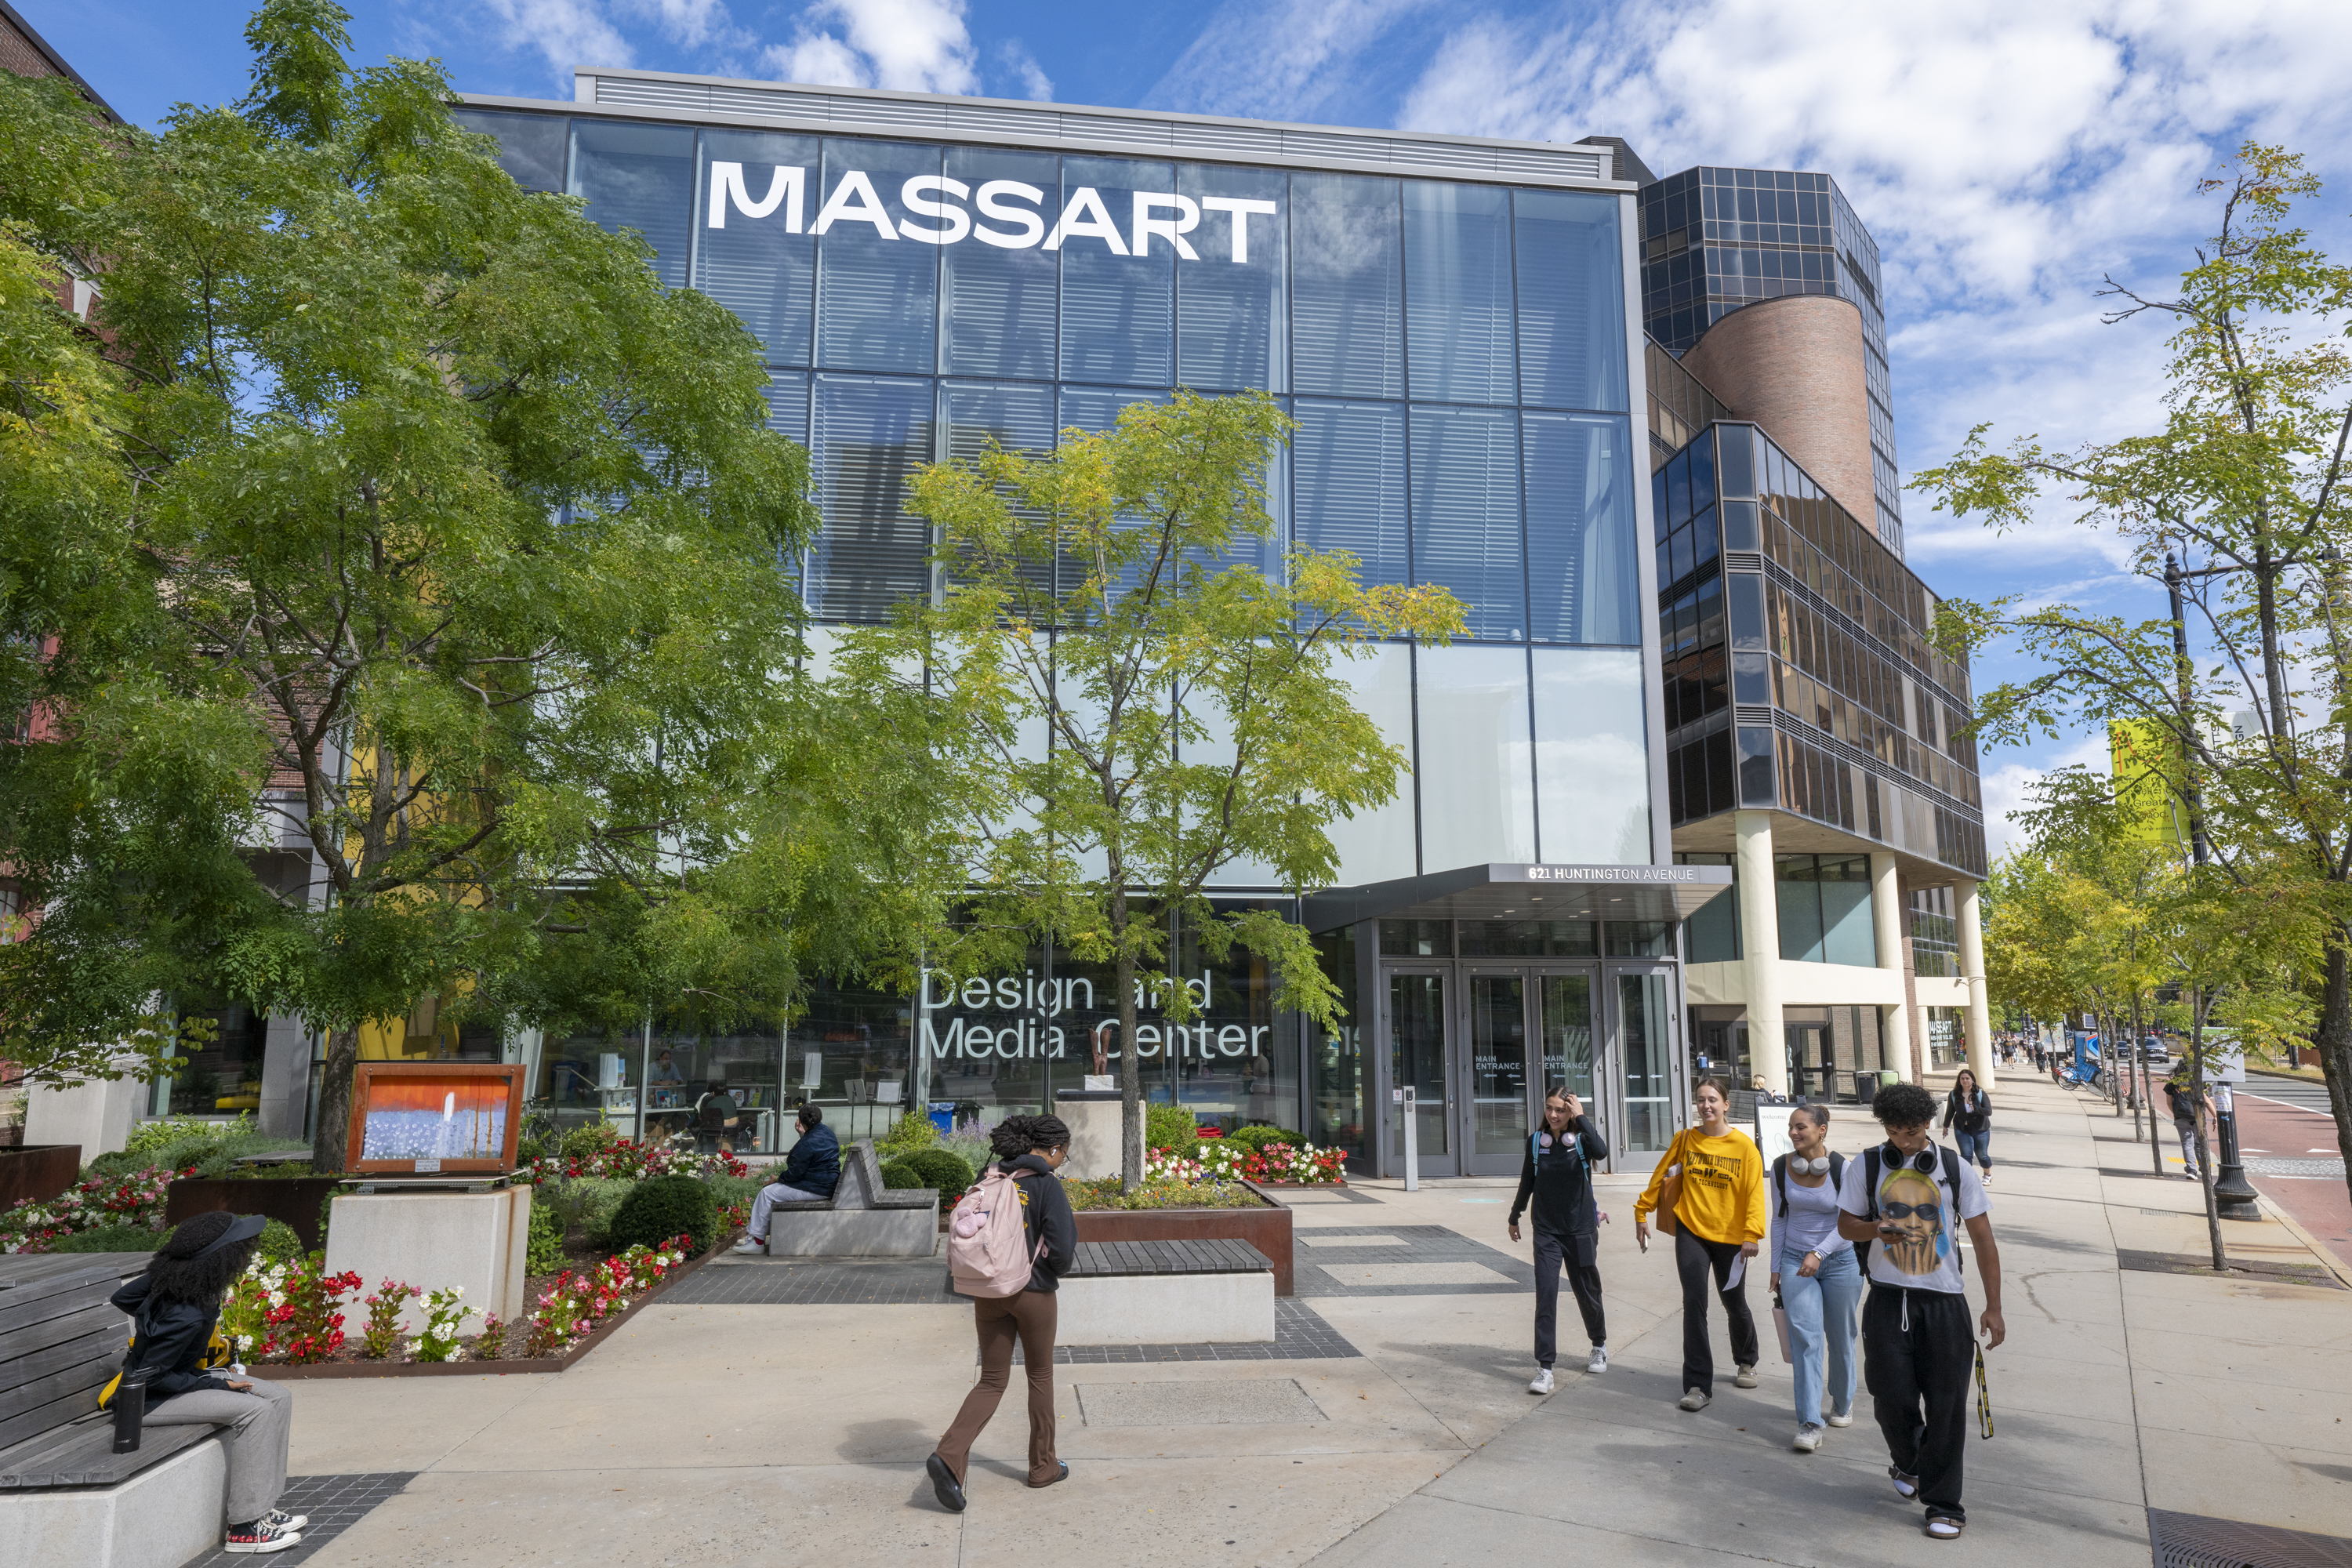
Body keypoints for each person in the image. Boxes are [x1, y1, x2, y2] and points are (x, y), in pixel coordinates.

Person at [1837, 1082, 2005, 1541]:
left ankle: (1944, 1504)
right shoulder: (1866, 1164)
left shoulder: (1954, 1167)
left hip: (1945, 1302)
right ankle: (1910, 1461)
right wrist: (1876, 1228)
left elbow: (1985, 1239)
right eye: (1895, 1132)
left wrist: (1993, 1305)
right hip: (1888, 1299)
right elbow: (1846, 1224)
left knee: (1947, 1407)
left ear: (1927, 1125)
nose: (1904, 1141)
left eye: (1912, 1132)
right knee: (1889, 1397)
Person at [113, 1213, 305, 1555]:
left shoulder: (189, 1286)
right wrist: (215, 1386)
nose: (246, 1254)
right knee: (255, 1412)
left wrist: (161, 1294)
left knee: (278, 1396)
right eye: (240, 1249)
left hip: (180, 1382)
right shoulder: (185, 1314)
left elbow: (124, 1297)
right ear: (220, 1259)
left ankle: (262, 1507)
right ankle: (246, 1528)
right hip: (147, 1400)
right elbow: (153, 1376)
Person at [928, 1114, 1079, 1511]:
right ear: (1052, 1149)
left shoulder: (990, 1175)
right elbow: (1062, 1251)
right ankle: (1043, 1466)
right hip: (1033, 1294)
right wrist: (1046, 1268)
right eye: (1065, 1152)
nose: (1063, 1160)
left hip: (988, 1293)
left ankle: (949, 1455)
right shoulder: (1046, 1184)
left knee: (992, 1380)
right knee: (1040, 1376)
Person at [1635, 1075, 1767, 1412]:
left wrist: (1752, 1234)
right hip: (1691, 1230)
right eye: (1700, 1100)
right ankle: (1697, 1385)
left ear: (1725, 1104)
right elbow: (1660, 1176)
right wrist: (1641, 1212)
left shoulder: (1744, 1148)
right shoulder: (1686, 1140)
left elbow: (1754, 1194)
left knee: (1733, 1302)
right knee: (1694, 1303)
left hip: (1732, 1238)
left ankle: (1746, 1359)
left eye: (1712, 1100)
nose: (1705, 1106)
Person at [1767, 1104, 1861, 1453]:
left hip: (1839, 1261)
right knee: (1806, 1339)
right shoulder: (1780, 1168)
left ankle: (1842, 1400)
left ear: (1822, 1130)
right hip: (1795, 1261)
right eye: (1791, 1127)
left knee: (1841, 1335)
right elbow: (1778, 1220)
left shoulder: (1843, 1169)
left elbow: (1850, 1224)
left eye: (1801, 1127)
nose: (1793, 1132)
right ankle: (1809, 1422)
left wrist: (1819, 1252)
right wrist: (1776, 1267)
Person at [1507, 1084, 1611, 1392]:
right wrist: (1515, 1216)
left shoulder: (1580, 1140)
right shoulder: (1536, 1143)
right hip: (1547, 1230)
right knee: (1547, 1294)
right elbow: (1528, 1180)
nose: (1553, 1115)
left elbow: (1602, 1152)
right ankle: (1545, 1368)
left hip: (1579, 1228)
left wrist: (1582, 1117)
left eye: (1561, 1110)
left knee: (1587, 1290)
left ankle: (1599, 1344)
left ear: (1571, 1112)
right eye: (1549, 1108)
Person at [733, 1105, 840, 1253]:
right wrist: (803, 1134)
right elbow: (812, 1152)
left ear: (802, 1121)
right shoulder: (827, 1132)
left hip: (816, 1188)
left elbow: (794, 1174)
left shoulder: (807, 1142)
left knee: (767, 1193)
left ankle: (757, 1242)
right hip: (827, 1184)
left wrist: (777, 1179)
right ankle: (754, 1236)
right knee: (770, 1192)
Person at [1941, 1069, 1994, 1185]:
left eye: (1967, 1078)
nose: (1965, 1081)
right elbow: (1950, 1111)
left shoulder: (1980, 1093)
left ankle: (1987, 1175)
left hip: (1981, 1129)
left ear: (1972, 1080)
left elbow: (1988, 1111)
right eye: (1962, 1078)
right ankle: (1967, 1179)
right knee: (1966, 1155)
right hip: (1962, 1129)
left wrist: (1976, 1108)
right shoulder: (1954, 1094)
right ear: (1959, 1081)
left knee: (1982, 1155)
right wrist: (1946, 1126)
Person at [2163, 1069, 2213, 1181]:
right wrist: (2215, 1116)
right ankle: (2205, 1169)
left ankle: (2191, 1170)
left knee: (2187, 1144)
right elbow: (2207, 1101)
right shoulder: (2197, 1082)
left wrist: (2176, 1115)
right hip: (2198, 1117)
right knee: (2200, 1143)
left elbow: (2169, 1102)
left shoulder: (2172, 1084)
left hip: (2180, 1118)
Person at [695, 1080, 742, 1155]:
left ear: (713, 1093)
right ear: (724, 1093)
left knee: (709, 1129)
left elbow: (707, 1118)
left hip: (721, 1127)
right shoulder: (731, 1100)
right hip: (734, 1127)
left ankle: (711, 1151)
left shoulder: (711, 1103)